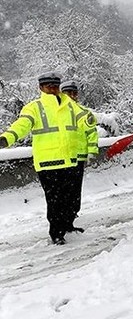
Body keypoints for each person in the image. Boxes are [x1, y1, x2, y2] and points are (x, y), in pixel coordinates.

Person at [0, 71, 94, 244]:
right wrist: (8, 137)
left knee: (71, 198)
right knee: (55, 200)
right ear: (41, 87)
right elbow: (22, 125)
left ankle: (68, 225)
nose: (52, 89)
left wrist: (89, 125)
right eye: (48, 86)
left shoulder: (70, 105)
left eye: (55, 86)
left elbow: (88, 122)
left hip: (71, 159)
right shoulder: (34, 107)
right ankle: (56, 233)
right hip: (48, 162)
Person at [61, 79, 99, 231]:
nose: (72, 95)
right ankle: (62, 224)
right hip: (61, 158)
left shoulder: (84, 112)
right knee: (62, 193)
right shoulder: (56, 113)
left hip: (78, 158)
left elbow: (92, 133)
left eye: (74, 93)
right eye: (68, 92)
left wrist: (91, 152)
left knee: (74, 193)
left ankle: (69, 221)